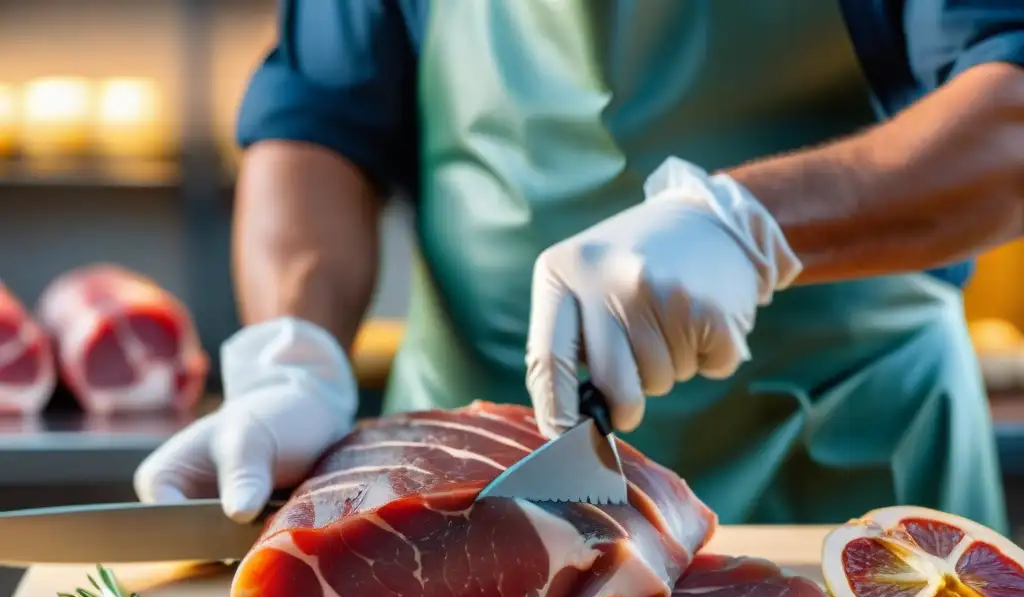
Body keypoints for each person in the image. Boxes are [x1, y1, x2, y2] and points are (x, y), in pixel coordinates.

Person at [135, 0, 1024, 533]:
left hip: (849, 463)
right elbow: (318, 117)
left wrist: (749, 227)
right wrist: (296, 351)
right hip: (469, 481)